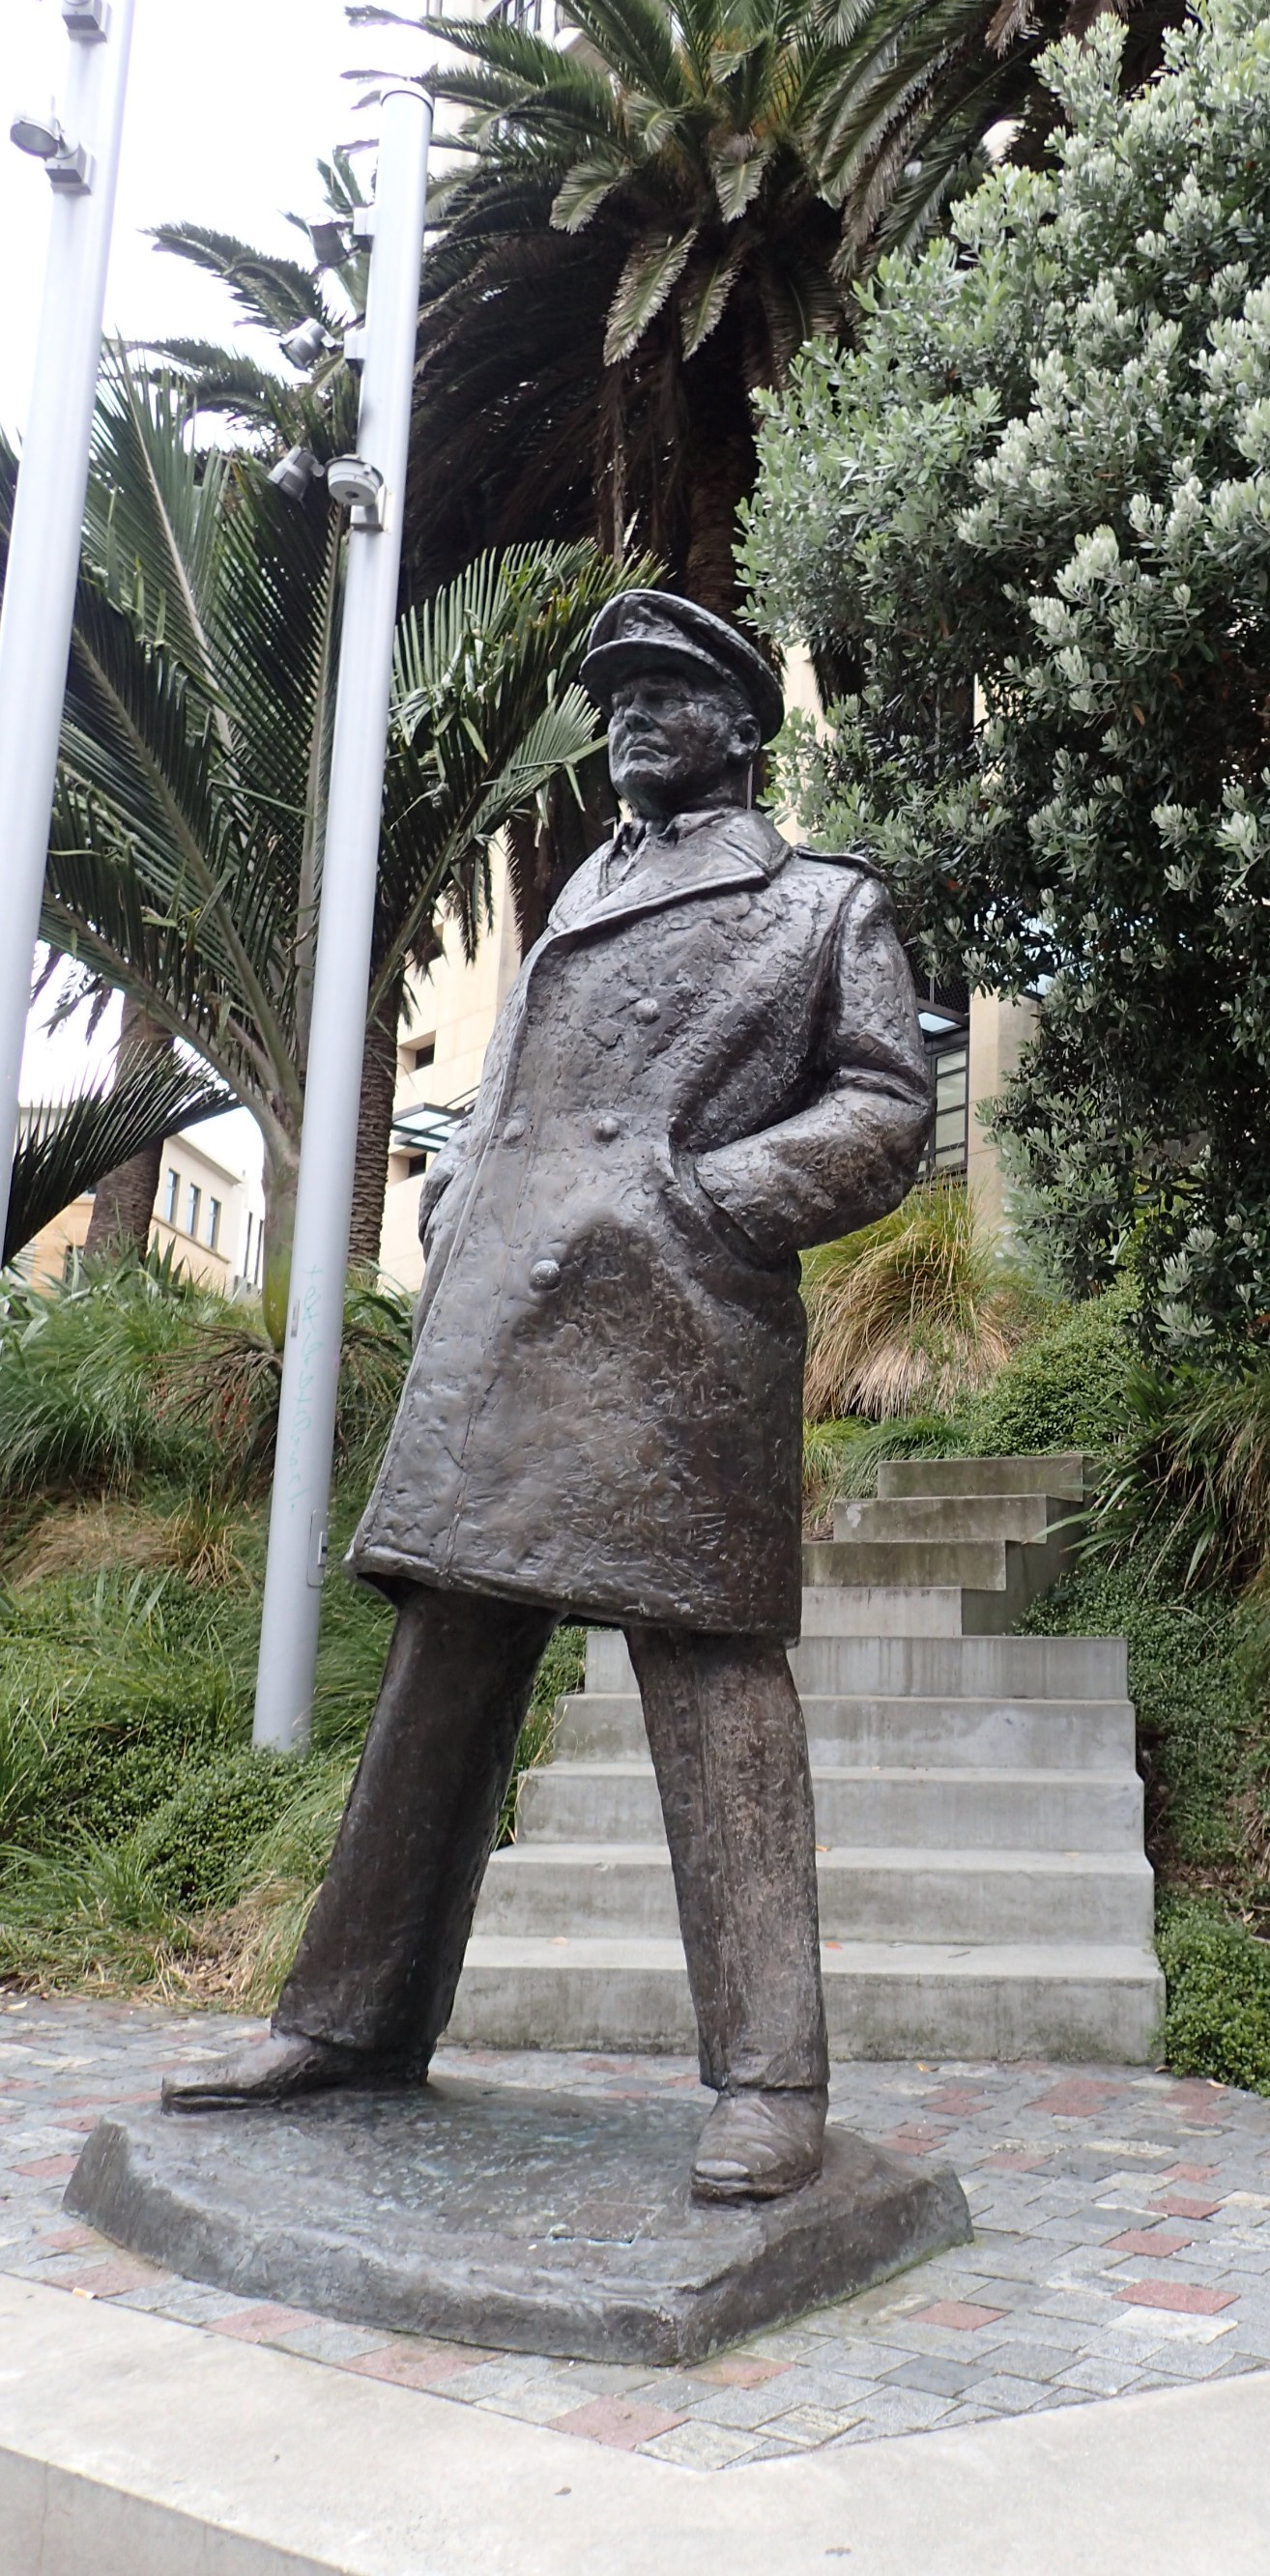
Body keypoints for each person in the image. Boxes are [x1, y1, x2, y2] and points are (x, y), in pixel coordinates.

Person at [164, 592, 934, 2202]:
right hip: (512, 1328)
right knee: (447, 1655)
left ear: (741, 722)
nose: (631, 720)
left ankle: (771, 2078)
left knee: (711, 1673)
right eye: (617, 697)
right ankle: (353, 2017)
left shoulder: (815, 908)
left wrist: (709, 1195)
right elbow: (516, 1082)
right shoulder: (584, 882)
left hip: (676, 1330)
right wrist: (454, 1197)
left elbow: (882, 1106)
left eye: (666, 692)